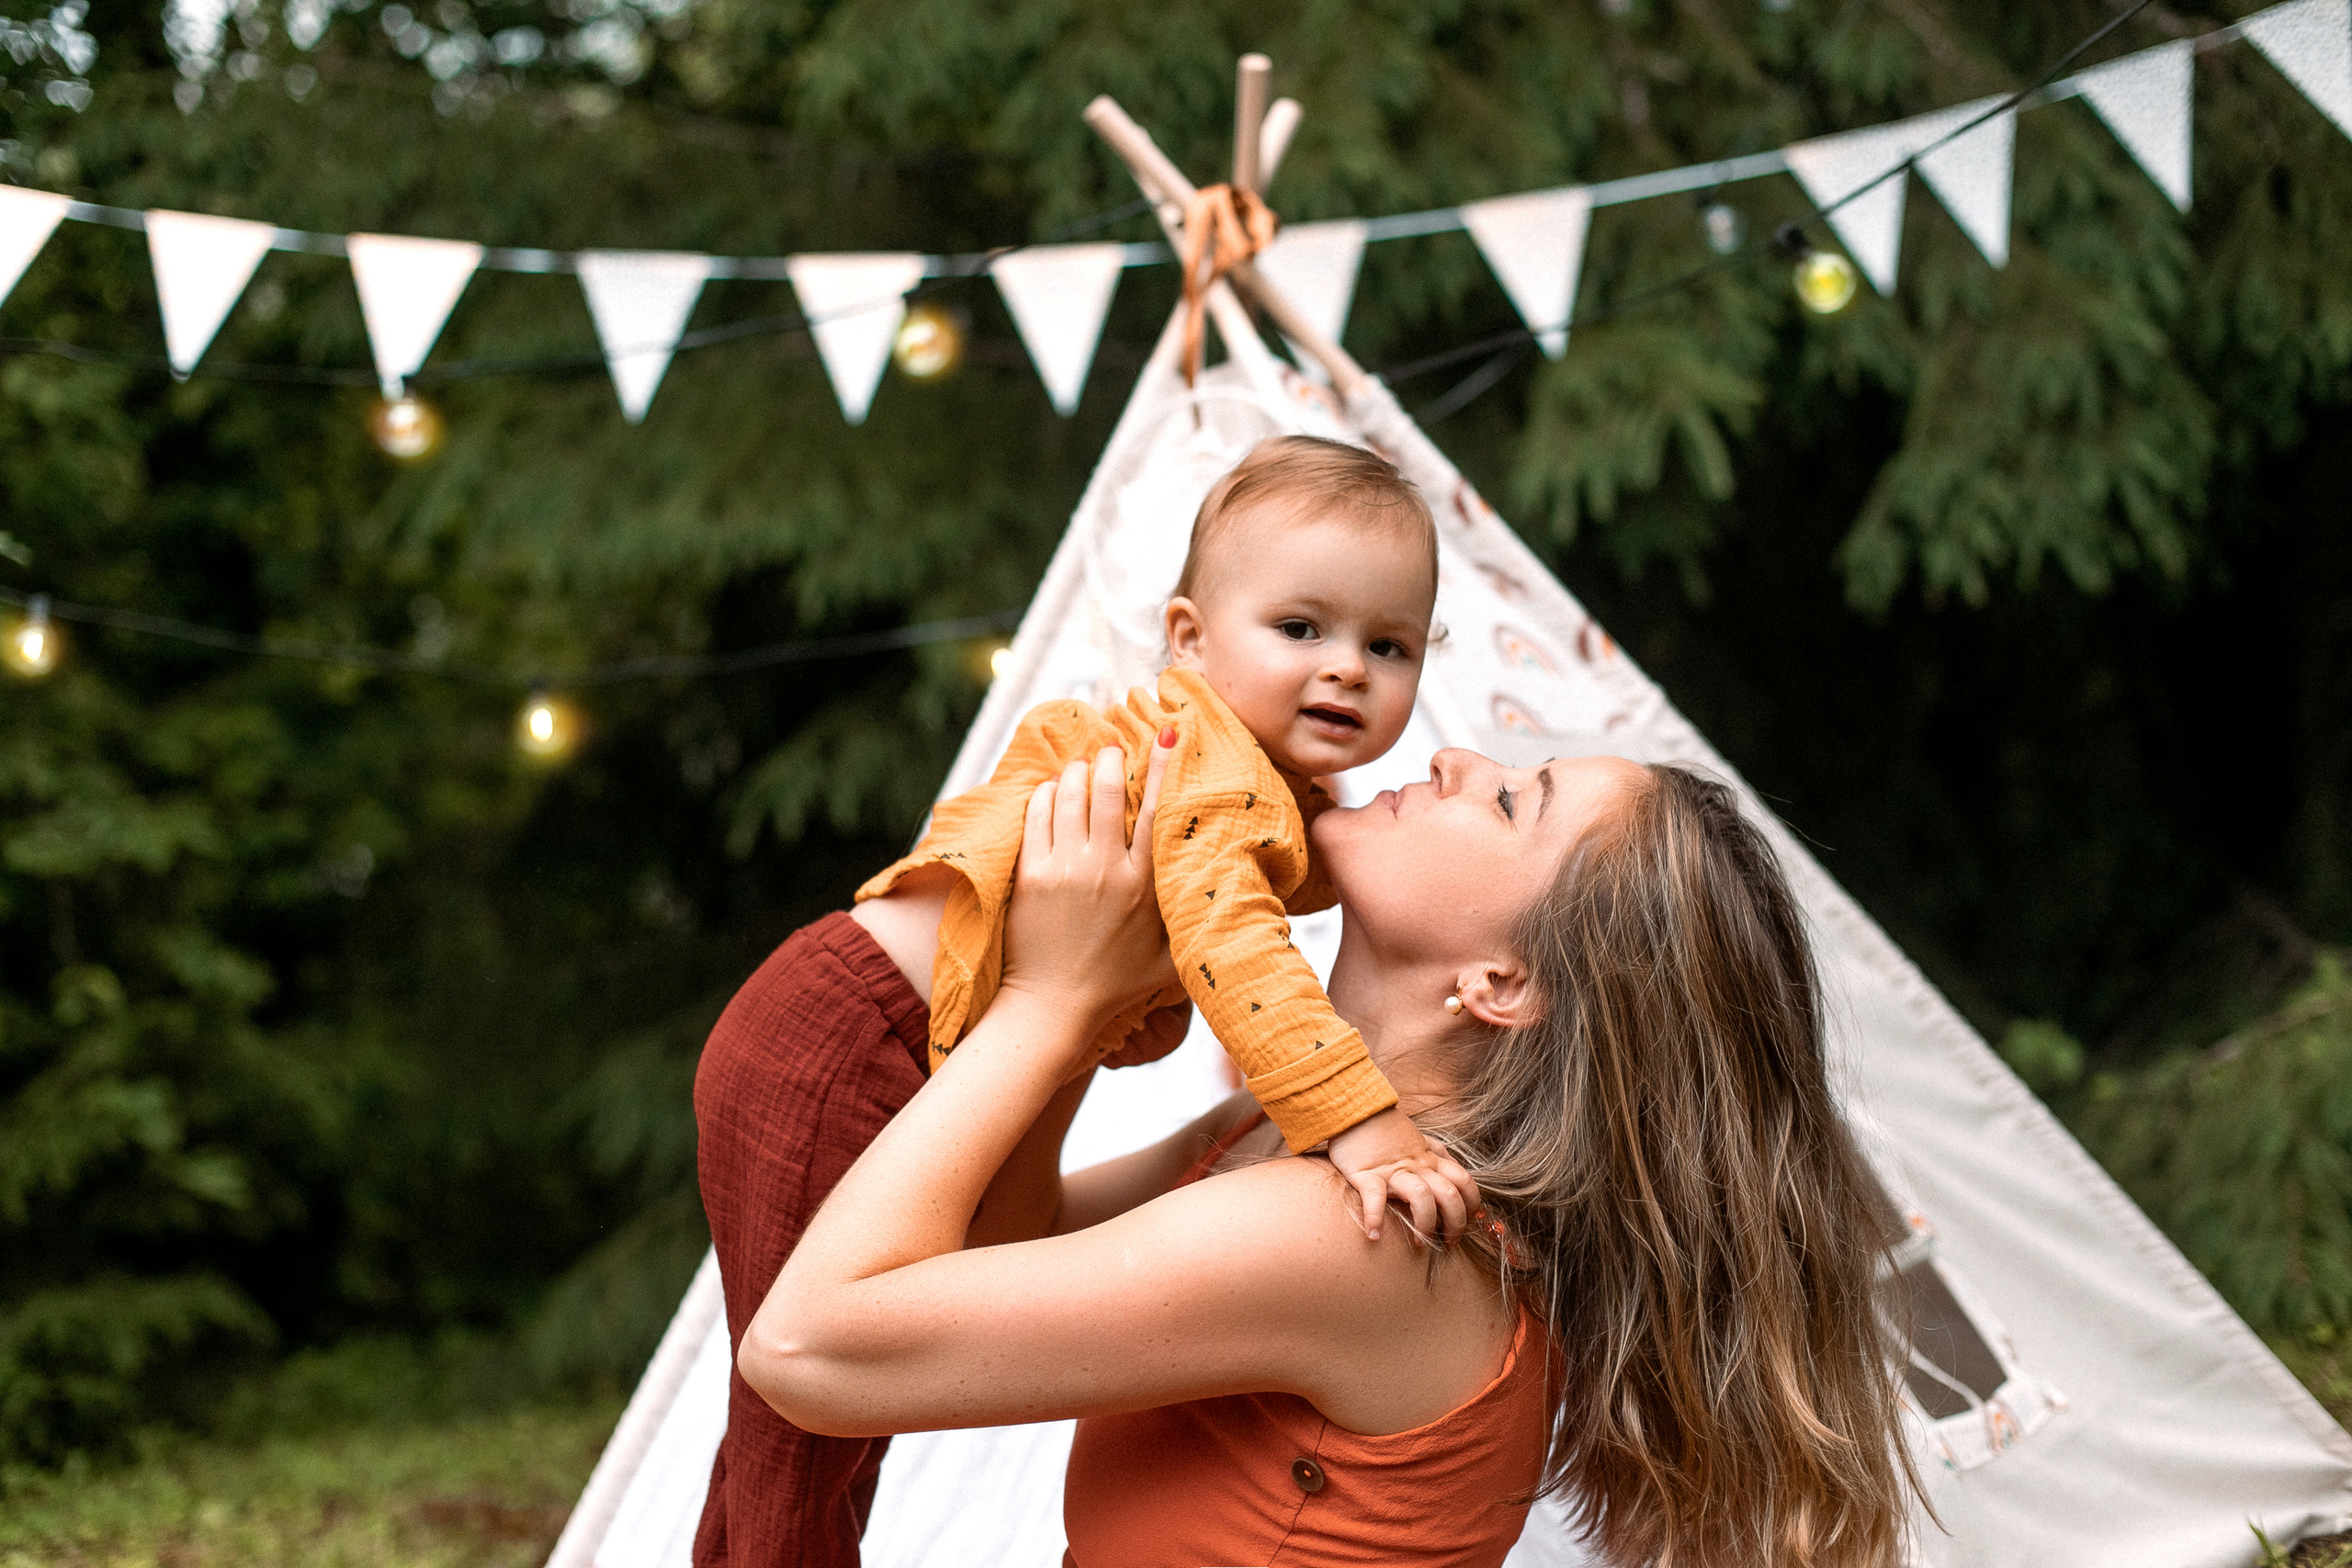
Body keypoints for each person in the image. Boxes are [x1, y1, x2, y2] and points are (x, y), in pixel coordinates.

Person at [743, 739, 1922, 1568]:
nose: (1457, 757)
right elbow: (1003, 1258)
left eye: (1513, 803)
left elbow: (812, 1351)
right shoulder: (1298, 1151)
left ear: (1500, 985)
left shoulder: (1359, 1239)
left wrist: (1047, 999)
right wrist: (1093, 1006)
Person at [691, 435, 1481, 1568]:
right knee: (801, 1437)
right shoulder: (1211, 772)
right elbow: (1243, 955)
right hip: (848, 1031)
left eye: (1388, 644)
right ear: (1190, 641)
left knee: (805, 1445)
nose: (1347, 668)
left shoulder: (1258, 784)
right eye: (1301, 629)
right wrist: (1363, 1125)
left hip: (884, 1036)